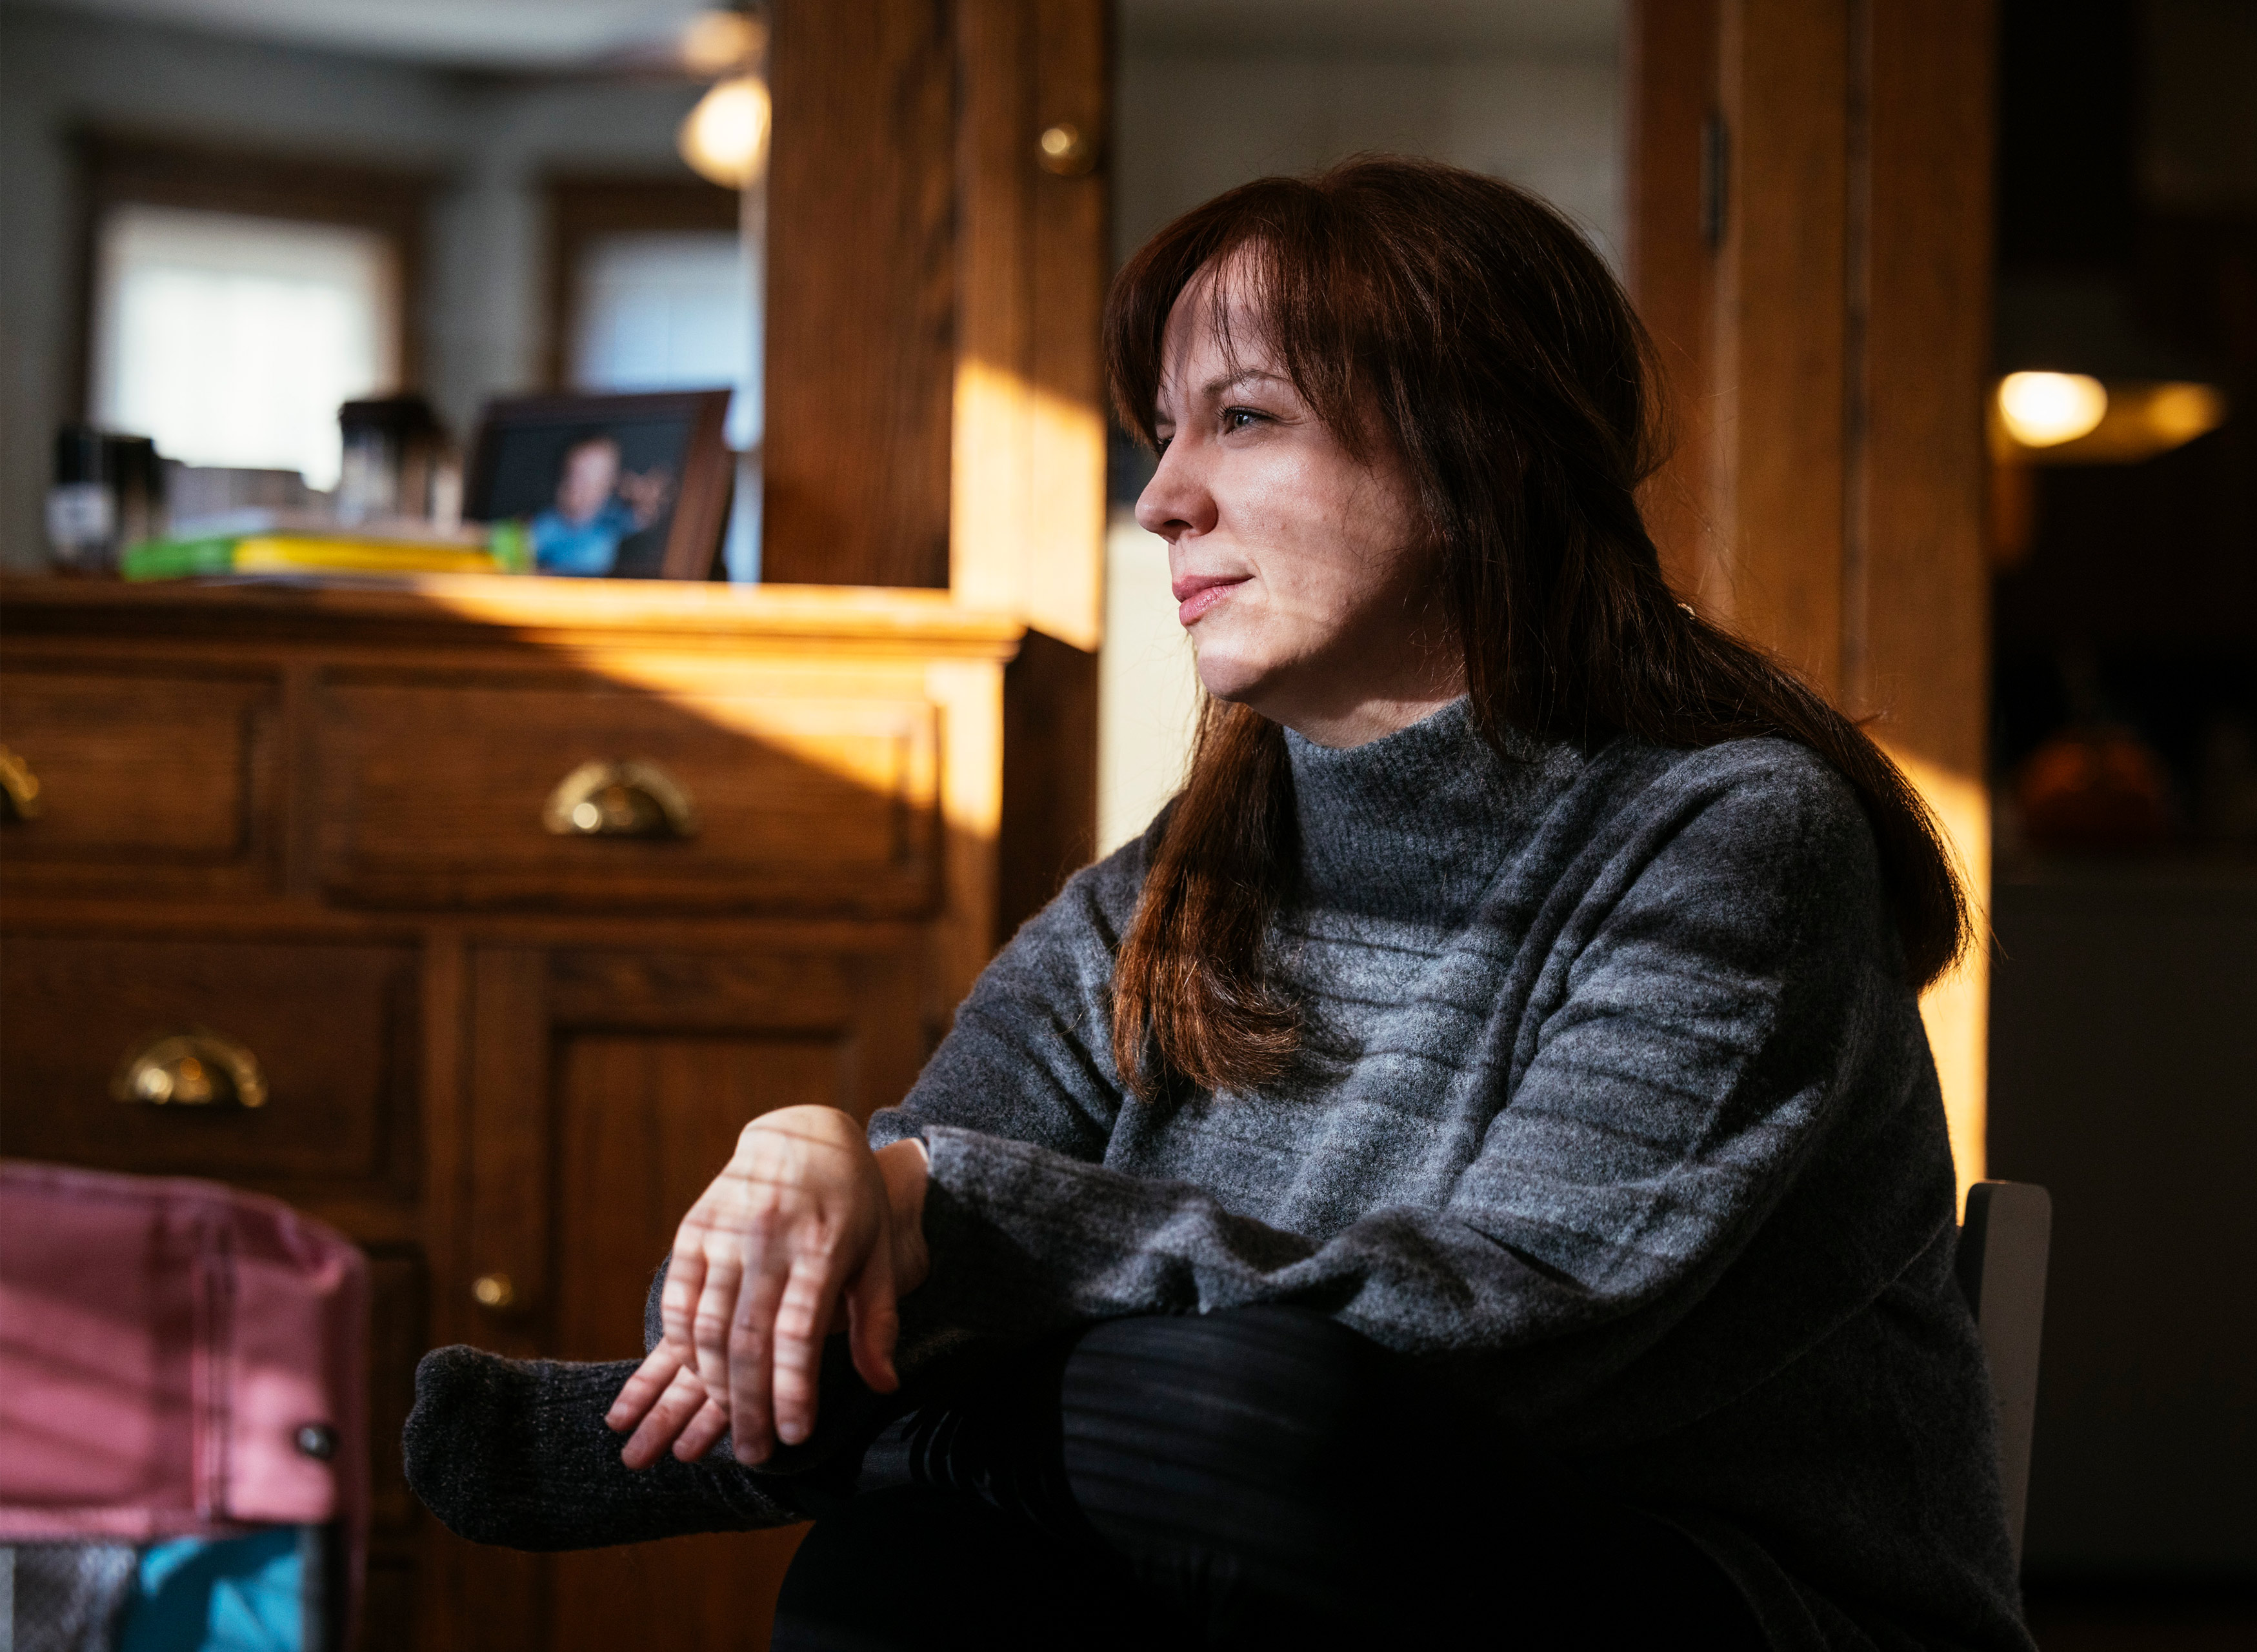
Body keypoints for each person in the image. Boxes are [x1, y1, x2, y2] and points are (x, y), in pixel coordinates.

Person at [406, 157, 2034, 1651]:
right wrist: (815, 1168)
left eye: (1242, 418)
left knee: (1229, 1417)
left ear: (1480, 456)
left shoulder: (1732, 837)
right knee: (905, 1559)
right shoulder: (1172, 886)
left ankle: (910, 1451)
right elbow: (877, 1279)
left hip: (1712, 1594)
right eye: (1160, 434)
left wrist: (940, 1216)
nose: (1162, 500)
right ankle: (926, 1456)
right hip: (1276, 1573)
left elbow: (1505, 1330)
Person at [528, 432, 670, 575]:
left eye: (591, 483)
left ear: (609, 487)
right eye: (572, 477)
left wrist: (640, 495)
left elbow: (643, 515)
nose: (577, 488)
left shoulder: (609, 520)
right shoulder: (549, 523)